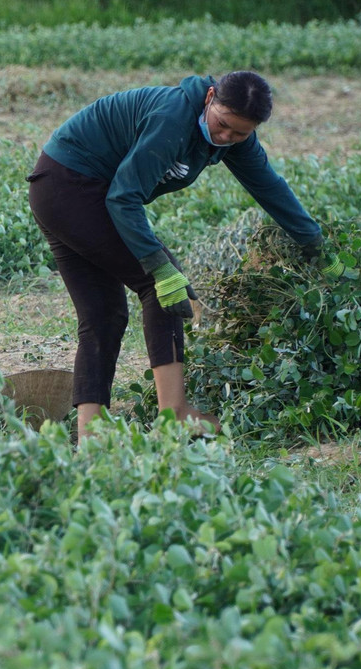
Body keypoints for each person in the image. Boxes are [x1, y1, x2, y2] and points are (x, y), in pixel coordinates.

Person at [27, 71, 343, 441]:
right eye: (222, 124)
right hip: (72, 185)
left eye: (239, 133)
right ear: (210, 97)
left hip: (64, 190)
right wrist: (159, 267)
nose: (226, 137)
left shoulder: (234, 140)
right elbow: (123, 197)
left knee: (103, 313)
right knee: (162, 283)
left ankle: (91, 433)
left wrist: (316, 246)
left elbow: (270, 187)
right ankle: (174, 415)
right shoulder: (173, 118)